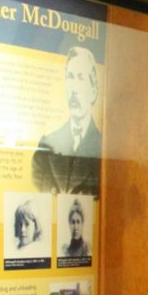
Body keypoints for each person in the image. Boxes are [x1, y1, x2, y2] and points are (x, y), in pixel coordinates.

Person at [32, 46, 101, 195]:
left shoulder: (104, 149)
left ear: (93, 89)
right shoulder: (46, 146)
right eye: (70, 76)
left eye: (80, 77)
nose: (73, 87)